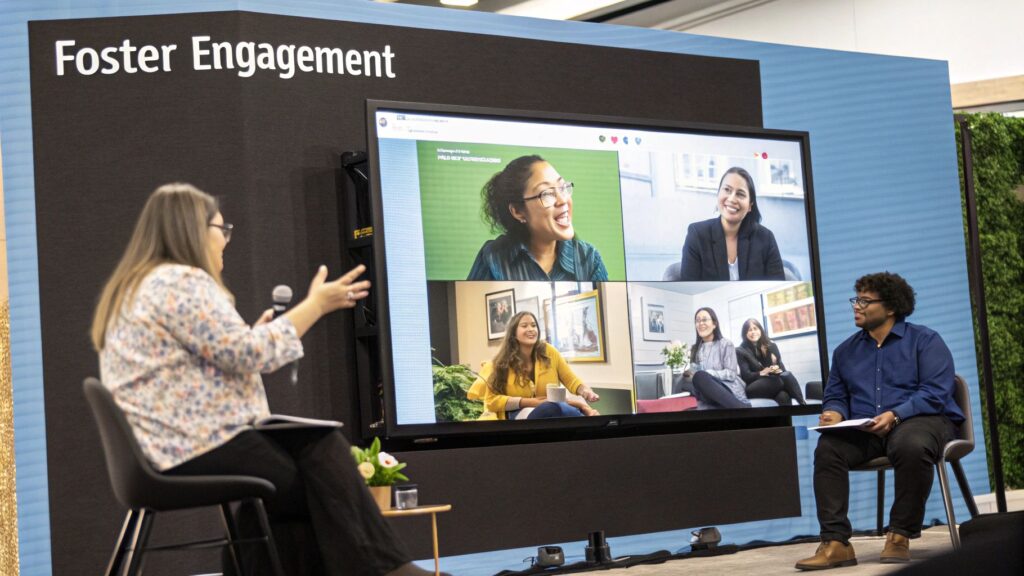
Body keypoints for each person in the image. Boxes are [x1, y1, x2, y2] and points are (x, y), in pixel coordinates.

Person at [91, 183, 440, 576]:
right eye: (221, 230)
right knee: (318, 459)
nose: (225, 240)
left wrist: (251, 342)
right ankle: (389, 569)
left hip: (161, 447)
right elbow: (248, 353)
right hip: (188, 446)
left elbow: (199, 367)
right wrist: (315, 306)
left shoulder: (140, 287)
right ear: (193, 230)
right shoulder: (180, 283)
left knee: (303, 473)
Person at [795, 272, 964, 570]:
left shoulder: (925, 341)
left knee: (910, 444)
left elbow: (936, 392)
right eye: (855, 299)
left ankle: (899, 535)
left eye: (865, 300)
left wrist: (897, 413)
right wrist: (835, 412)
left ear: (890, 307)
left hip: (921, 421)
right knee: (828, 448)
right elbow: (836, 394)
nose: (856, 306)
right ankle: (836, 543)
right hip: (867, 429)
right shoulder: (845, 351)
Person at [467, 155, 609, 281]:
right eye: (546, 194)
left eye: (562, 187)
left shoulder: (589, 259)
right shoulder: (493, 258)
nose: (563, 200)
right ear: (517, 211)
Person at [474, 311, 601, 420]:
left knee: (558, 408)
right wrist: (529, 402)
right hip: (516, 414)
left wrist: (586, 392)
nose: (531, 329)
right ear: (513, 333)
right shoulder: (500, 363)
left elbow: (571, 380)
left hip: (553, 408)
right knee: (554, 408)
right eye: (524, 326)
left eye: (534, 325)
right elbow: (491, 401)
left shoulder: (549, 351)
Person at [679, 166, 784, 281]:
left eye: (740, 194)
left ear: (750, 205)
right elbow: (689, 287)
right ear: (718, 194)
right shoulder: (697, 234)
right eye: (727, 190)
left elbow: (777, 286)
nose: (732, 199)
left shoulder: (766, 238)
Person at [684, 307, 750, 409]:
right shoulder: (694, 348)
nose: (700, 323)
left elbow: (731, 374)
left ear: (714, 324)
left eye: (704, 319)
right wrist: (687, 372)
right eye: (697, 321)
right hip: (706, 392)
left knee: (700, 376)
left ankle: (741, 408)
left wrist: (708, 373)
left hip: (727, 390)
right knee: (687, 383)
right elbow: (695, 373)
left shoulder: (726, 344)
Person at [736, 317, 807, 406]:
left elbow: (782, 370)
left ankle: (802, 403)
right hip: (753, 387)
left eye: (755, 329)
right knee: (779, 380)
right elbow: (746, 376)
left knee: (783, 395)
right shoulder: (740, 351)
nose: (753, 332)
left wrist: (772, 362)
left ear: (760, 330)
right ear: (745, 333)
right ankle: (803, 405)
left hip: (773, 383)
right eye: (749, 330)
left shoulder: (770, 345)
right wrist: (762, 373)